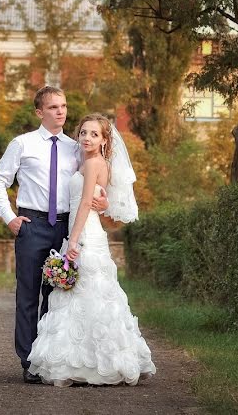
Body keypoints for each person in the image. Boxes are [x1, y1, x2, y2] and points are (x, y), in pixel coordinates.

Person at [0, 86, 109, 384]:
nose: (61, 111)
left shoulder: (76, 147)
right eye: (53, 107)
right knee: (28, 295)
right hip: (32, 225)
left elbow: (92, 183)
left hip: (65, 228)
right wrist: (10, 219)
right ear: (40, 112)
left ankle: (48, 358)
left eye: (64, 106)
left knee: (56, 297)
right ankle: (28, 361)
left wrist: (102, 200)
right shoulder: (22, 144)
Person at [27, 113, 155, 386]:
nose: (87, 137)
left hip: (84, 233)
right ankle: (82, 361)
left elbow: (86, 203)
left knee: (91, 295)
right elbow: (96, 200)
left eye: (94, 134)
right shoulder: (88, 162)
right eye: (83, 132)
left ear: (105, 140)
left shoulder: (96, 163)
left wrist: (72, 242)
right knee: (81, 296)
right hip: (83, 229)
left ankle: (98, 364)